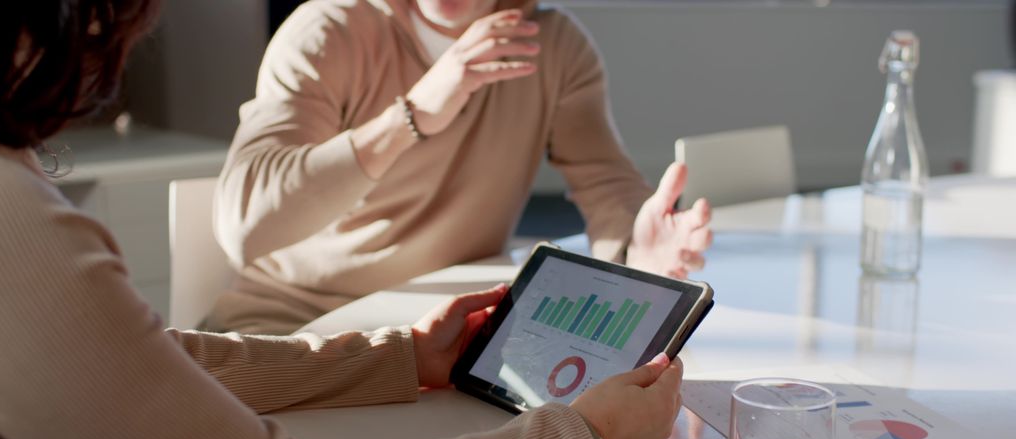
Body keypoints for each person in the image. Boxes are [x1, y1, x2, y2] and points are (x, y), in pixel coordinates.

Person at [0, 1, 686, 439]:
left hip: (398, 350)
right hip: (286, 328)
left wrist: (397, 357)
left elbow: (129, 358)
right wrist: (581, 438)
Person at [209, 0, 714, 335]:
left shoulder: (553, 45)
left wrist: (637, 255)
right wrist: (413, 116)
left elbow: (608, 186)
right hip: (298, 322)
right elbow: (244, 227)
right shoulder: (327, 30)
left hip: (451, 331)